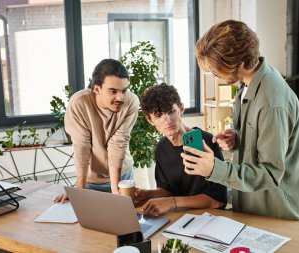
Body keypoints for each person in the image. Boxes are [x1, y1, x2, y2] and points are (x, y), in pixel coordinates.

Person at [181, 20, 299, 220]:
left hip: (277, 212)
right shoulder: (247, 82)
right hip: (252, 206)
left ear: (239, 62)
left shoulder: (271, 102)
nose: (215, 76)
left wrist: (215, 168)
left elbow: (270, 172)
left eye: (217, 70)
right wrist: (237, 136)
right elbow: (260, 136)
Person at [135, 83, 227, 216]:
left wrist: (173, 202)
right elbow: (167, 190)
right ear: (150, 119)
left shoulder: (206, 142)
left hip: (209, 218)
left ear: (181, 109)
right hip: (178, 218)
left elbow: (216, 201)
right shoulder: (161, 148)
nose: (167, 120)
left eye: (171, 112)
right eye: (159, 115)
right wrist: (147, 194)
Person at [54, 59, 139, 203]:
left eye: (124, 90)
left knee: (125, 221)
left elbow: (118, 144)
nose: (120, 97)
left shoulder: (131, 102)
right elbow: (82, 147)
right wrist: (79, 190)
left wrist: (116, 191)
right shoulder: (79, 103)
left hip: (122, 178)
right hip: (89, 181)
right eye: (113, 91)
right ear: (97, 89)